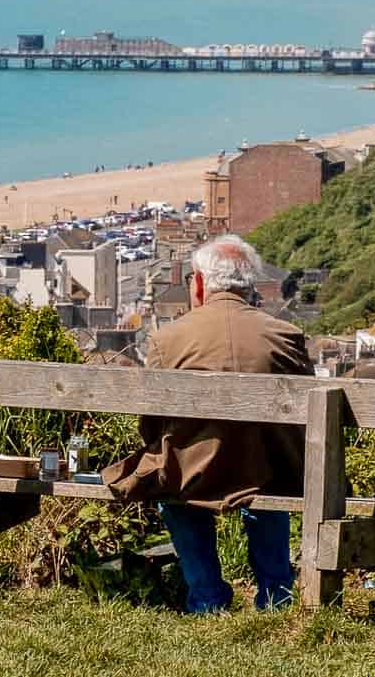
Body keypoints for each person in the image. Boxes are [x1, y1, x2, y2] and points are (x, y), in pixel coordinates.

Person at [102, 235, 310, 612]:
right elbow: (305, 416)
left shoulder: (168, 339)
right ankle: (277, 594)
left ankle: (207, 597)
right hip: (268, 470)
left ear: (198, 282)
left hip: (192, 474)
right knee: (269, 477)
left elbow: (151, 424)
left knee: (170, 484)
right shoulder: (287, 336)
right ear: (250, 285)